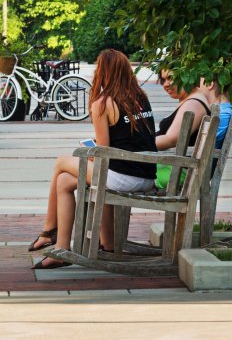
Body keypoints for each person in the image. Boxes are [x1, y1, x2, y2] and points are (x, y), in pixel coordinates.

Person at [27, 49, 157, 269]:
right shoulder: (141, 97)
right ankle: (88, 246)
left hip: (123, 176)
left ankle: (49, 230)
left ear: (103, 72)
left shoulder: (102, 103)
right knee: (64, 182)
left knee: (61, 162)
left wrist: (90, 150)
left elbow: (103, 150)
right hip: (145, 175)